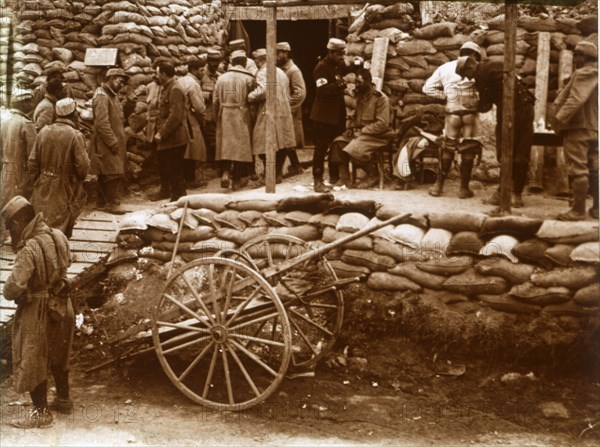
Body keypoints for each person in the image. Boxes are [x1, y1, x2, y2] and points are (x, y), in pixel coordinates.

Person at [2, 196, 75, 428]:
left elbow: (13, 288)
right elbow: (70, 260)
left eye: (11, 225)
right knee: (59, 352)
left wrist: (11, 291)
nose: (11, 231)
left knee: (33, 357)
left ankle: (41, 413)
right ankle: (63, 399)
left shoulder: (29, 247)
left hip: (39, 307)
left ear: (21, 220)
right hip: (63, 305)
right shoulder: (58, 234)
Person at [457, 55, 536, 209]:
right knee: (521, 152)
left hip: (510, 111)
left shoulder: (481, 74)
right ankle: (516, 195)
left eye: (466, 74)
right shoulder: (495, 65)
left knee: (504, 151)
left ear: (470, 67)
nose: (469, 78)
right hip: (527, 107)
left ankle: (502, 193)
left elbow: (485, 105)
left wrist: (470, 107)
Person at [422, 41, 483, 199]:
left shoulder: (445, 67)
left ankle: (438, 186)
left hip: (452, 113)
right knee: (468, 149)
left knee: (447, 147)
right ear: (475, 55)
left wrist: (445, 96)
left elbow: (427, 88)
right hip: (470, 114)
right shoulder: (478, 69)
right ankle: (463, 189)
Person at [28, 98, 90, 238]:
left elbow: (32, 162)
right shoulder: (75, 135)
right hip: (65, 184)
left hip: (43, 182)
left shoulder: (44, 131)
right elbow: (83, 166)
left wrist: (39, 179)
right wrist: (78, 180)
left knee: (43, 220)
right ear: (73, 114)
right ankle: (58, 251)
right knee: (61, 221)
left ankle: (44, 249)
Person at [552, 40, 598, 221]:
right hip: (594, 127)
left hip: (578, 127)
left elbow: (576, 99)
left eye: (577, 56)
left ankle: (578, 211)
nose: (574, 60)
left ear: (583, 57)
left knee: (578, 168)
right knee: (594, 167)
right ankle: (597, 209)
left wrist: (558, 119)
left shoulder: (584, 73)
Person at [330, 69, 392, 188]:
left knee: (353, 148)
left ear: (368, 82)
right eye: (356, 82)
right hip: (362, 135)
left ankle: (373, 173)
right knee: (338, 143)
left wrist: (362, 131)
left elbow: (382, 124)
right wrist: (351, 127)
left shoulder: (380, 99)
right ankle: (345, 179)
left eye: (359, 82)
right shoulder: (361, 97)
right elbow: (357, 118)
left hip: (378, 136)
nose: (357, 85)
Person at [248, 48, 296, 184]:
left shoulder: (263, 72)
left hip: (269, 111)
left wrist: (250, 96)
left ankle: (269, 175)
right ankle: (277, 174)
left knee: (262, 142)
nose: (256, 64)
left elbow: (263, 91)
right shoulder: (280, 71)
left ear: (260, 60)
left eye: (256, 61)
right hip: (283, 110)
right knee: (281, 143)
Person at [309, 38, 349, 193]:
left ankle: (333, 177)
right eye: (339, 54)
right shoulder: (321, 68)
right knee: (321, 149)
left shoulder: (336, 65)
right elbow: (323, 91)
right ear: (331, 53)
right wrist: (342, 84)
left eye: (343, 53)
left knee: (334, 146)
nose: (342, 57)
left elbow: (346, 71)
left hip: (336, 116)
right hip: (323, 117)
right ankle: (317, 182)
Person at [213, 50, 255, 190]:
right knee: (240, 147)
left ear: (232, 62)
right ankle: (237, 179)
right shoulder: (249, 78)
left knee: (226, 145)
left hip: (224, 112)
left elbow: (215, 100)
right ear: (244, 62)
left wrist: (216, 116)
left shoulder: (221, 78)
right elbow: (252, 100)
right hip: (241, 112)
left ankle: (225, 172)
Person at [91, 68, 129, 213]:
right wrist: (112, 141)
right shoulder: (102, 96)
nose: (122, 85)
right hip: (106, 141)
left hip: (111, 140)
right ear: (112, 78)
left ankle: (101, 202)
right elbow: (102, 123)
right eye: (120, 81)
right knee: (112, 171)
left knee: (107, 171)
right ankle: (111, 203)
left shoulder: (111, 95)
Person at [154, 58, 189, 202]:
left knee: (175, 171)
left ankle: (178, 200)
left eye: (158, 74)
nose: (156, 77)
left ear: (163, 74)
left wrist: (161, 133)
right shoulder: (169, 87)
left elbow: (175, 116)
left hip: (175, 139)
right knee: (172, 171)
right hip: (171, 139)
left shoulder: (175, 89)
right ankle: (178, 199)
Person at [1, 90, 37, 211]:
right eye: (30, 101)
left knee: (6, 203)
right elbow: (33, 155)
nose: (32, 104)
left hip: (6, 169)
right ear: (24, 103)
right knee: (21, 206)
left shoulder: (4, 121)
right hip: (22, 171)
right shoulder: (26, 124)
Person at [276, 41, 306, 177]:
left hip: (290, 112)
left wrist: (287, 106)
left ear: (286, 53)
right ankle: (296, 166)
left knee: (287, 140)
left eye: (279, 53)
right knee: (286, 139)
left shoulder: (293, 70)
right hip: (283, 112)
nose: (276, 56)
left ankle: (288, 168)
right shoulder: (281, 69)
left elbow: (300, 93)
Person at [177, 58, 207, 189]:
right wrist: (202, 120)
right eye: (201, 70)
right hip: (189, 119)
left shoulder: (180, 80)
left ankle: (184, 178)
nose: (203, 72)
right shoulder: (193, 84)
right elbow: (199, 107)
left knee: (183, 150)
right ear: (194, 70)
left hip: (179, 119)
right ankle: (190, 179)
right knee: (192, 150)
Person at [200, 49, 223, 175]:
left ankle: (218, 165)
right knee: (212, 140)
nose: (215, 64)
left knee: (218, 139)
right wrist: (210, 95)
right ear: (208, 61)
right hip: (206, 114)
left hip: (218, 113)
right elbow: (195, 92)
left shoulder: (220, 75)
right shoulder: (201, 75)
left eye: (217, 61)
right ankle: (215, 166)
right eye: (212, 61)